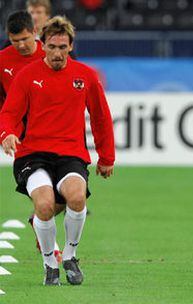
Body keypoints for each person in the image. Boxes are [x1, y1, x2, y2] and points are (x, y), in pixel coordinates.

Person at [0, 16, 115, 286]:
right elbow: (10, 112)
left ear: (71, 46)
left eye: (63, 47)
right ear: (44, 45)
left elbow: (101, 117)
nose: (57, 53)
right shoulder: (27, 75)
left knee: (76, 198)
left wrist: (106, 157)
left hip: (71, 153)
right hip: (32, 154)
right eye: (52, 47)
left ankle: (71, 256)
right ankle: (50, 262)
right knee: (44, 205)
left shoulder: (85, 76)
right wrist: (7, 134)